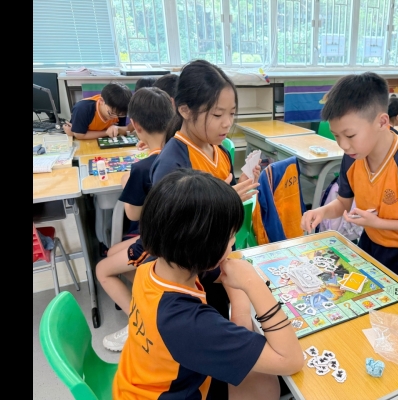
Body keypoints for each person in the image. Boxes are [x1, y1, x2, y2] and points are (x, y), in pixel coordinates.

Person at [112, 169, 304, 400]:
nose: (233, 243)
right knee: (265, 382)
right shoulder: (190, 324)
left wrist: (240, 308)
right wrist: (252, 283)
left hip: (136, 382)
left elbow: (226, 272)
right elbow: (290, 360)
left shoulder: (153, 267)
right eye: (230, 237)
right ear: (205, 252)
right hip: (164, 393)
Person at [149, 59, 260, 398]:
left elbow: (223, 195)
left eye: (232, 113)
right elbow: (175, 238)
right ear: (184, 109)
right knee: (211, 361)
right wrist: (225, 201)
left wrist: (235, 190)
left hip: (220, 262)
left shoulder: (218, 149)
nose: (227, 123)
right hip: (196, 277)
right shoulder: (173, 161)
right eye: (217, 114)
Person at [300, 72, 398, 275]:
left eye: (350, 135)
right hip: (370, 244)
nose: (343, 145)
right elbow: (343, 203)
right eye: (336, 136)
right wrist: (321, 212)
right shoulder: (353, 156)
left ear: (382, 122)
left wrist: (380, 223)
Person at [96, 87, 174, 352]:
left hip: (159, 243)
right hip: (173, 235)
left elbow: (132, 213)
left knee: (102, 269)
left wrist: (126, 180)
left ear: (136, 126)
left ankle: (141, 323)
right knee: (113, 252)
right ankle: (150, 298)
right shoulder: (179, 152)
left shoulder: (142, 168)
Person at [63, 82, 133, 139]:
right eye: (111, 113)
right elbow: (79, 135)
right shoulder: (82, 109)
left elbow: (124, 130)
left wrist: (117, 128)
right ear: (102, 101)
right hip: (84, 141)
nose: (115, 117)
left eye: (120, 115)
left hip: (104, 139)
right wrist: (106, 132)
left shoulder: (120, 108)